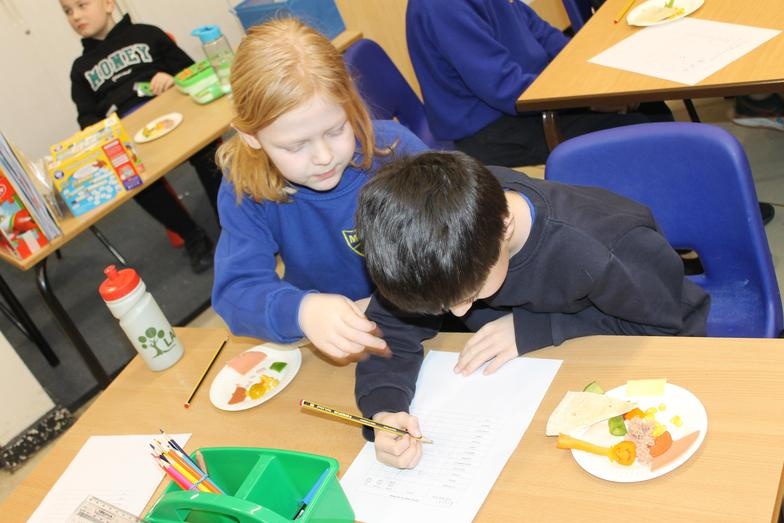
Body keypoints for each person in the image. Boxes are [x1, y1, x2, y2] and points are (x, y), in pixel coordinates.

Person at [353, 151, 710, 468]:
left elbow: (661, 326)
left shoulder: (604, 247)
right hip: (533, 379)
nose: (459, 314)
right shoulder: (442, 238)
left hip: (654, 351)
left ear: (505, 227)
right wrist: (384, 410)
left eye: (472, 294)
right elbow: (389, 329)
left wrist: (537, 327)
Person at [211, 19, 429, 360]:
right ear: (251, 137)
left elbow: (475, 214)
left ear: (349, 103)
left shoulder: (394, 149)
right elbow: (235, 292)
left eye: (336, 130)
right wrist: (302, 311)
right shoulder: (246, 186)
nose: (324, 156)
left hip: (432, 320)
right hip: (343, 346)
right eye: (296, 146)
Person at [405, 0, 674, 167]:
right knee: (640, 128)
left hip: (532, 97)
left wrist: (593, 71)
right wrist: (591, 99)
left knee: (653, 109)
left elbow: (542, 33)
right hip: (494, 129)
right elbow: (506, 89)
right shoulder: (442, 6)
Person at [60, 0, 220, 273]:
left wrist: (172, 79)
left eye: (82, 5)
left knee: (208, 151)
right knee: (130, 177)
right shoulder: (80, 69)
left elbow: (190, 70)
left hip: (176, 115)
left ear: (108, 4)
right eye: (67, 11)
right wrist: (103, 127)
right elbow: (86, 119)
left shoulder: (147, 33)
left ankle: (230, 222)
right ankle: (191, 235)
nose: (75, 15)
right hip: (131, 137)